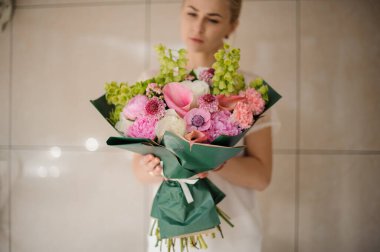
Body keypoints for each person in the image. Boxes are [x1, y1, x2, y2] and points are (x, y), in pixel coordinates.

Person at [132, 0, 275, 251]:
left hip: (233, 236)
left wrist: (212, 159)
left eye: (213, 19)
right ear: (181, 14)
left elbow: (261, 177)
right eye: (191, 13)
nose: (197, 27)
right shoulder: (152, 82)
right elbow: (139, 172)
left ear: (232, 26)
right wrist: (159, 166)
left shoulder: (249, 88)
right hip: (170, 228)